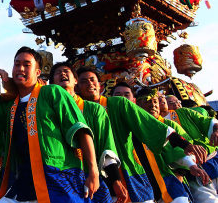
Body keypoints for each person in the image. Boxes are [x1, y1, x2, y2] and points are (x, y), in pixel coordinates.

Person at [0, 47, 100, 203]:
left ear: (38, 72)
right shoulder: (11, 106)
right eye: (16, 64)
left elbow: (81, 131)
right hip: (24, 181)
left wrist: (93, 172)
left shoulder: (52, 92)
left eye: (26, 64)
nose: (20, 69)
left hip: (57, 176)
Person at [79, 68, 206, 203]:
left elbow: (152, 127)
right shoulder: (77, 111)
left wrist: (184, 145)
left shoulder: (119, 104)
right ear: (77, 85)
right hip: (96, 176)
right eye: (83, 81)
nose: (89, 84)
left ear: (100, 85)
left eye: (92, 80)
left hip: (131, 172)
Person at [50, 62, 127, 203]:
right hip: (60, 178)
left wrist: (116, 179)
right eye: (57, 72)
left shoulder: (94, 109)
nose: (62, 74)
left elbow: (106, 145)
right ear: (51, 83)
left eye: (67, 71)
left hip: (92, 177)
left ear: (75, 81)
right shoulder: (48, 110)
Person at [135, 88, 210, 203]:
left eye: (155, 102)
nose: (153, 105)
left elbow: (181, 150)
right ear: (137, 104)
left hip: (170, 178)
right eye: (147, 102)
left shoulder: (169, 124)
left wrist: (187, 168)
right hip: (142, 181)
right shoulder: (134, 128)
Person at [160, 94, 218, 202]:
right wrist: (190, 164)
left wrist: (216, 130)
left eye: (178, 101)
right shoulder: (159, 124)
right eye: (172, 102)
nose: (177, 104)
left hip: (212, 158)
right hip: (190, 168)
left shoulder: (185, 112)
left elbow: (206, 121)